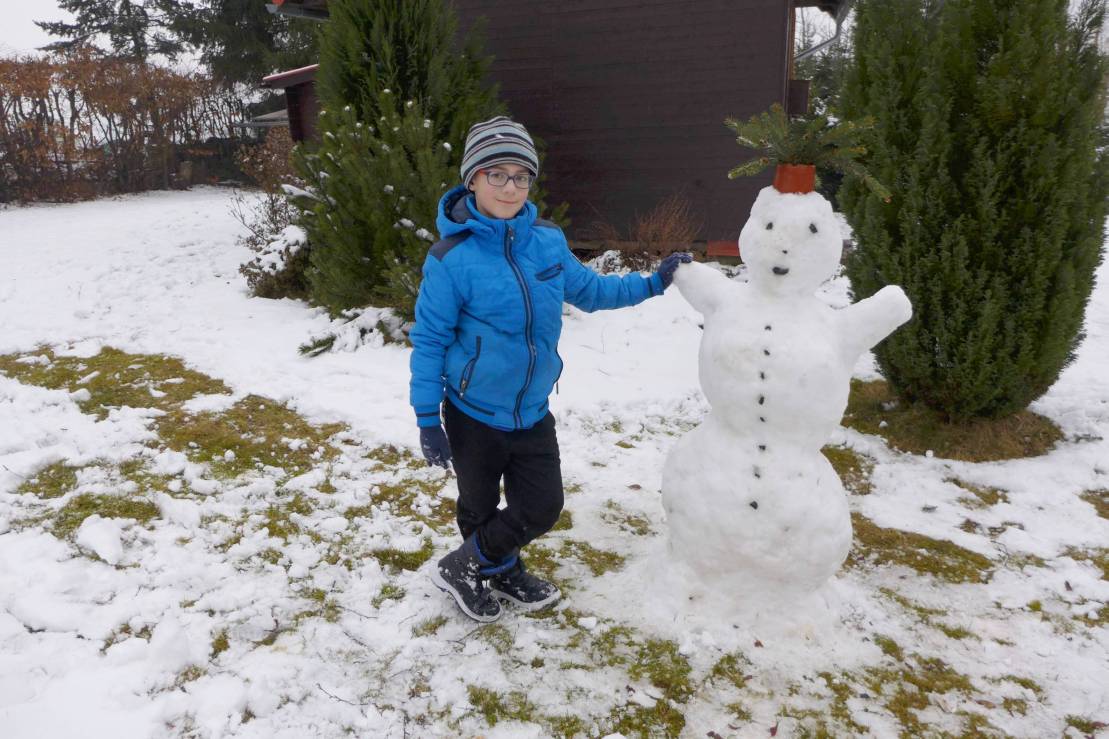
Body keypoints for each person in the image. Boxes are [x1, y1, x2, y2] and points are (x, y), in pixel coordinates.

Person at [409, 116, 691, 622]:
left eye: (521, 175)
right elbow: (429, 341)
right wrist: (428, 417)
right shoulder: (450, 258)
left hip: (532, 408)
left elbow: (592, 291)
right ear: (472, 178)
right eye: (496, 174)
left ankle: (467, 565)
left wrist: (652, 283)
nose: (510, 186)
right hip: (473, 411)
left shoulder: (547, 240)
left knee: (540, 505)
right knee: (477, 505)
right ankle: (494, 569)